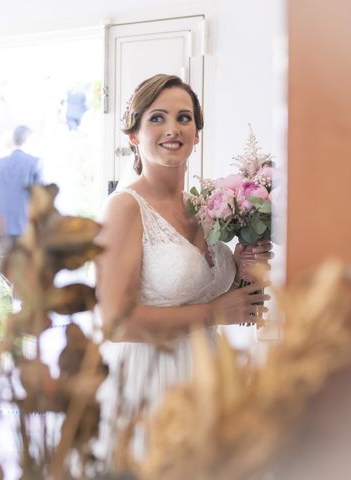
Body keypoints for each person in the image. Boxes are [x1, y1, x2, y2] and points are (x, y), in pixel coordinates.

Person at [94, 74, 273, 460]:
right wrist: (213, 313)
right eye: (156, 118)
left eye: (184, 118)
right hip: (150, 382)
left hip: (207, 375)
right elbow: (114, 322)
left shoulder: (204, 208)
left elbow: (209, 298)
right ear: (134, 136)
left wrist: (244, 267)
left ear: (197, 135)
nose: (172, 128)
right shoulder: (125, 208)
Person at [0, 125, 43, 259]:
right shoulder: (35, 163)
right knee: (24, 267)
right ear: (28, 140)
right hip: (25, 225)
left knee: (5, 264)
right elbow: (40, 197)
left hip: (1, 224)